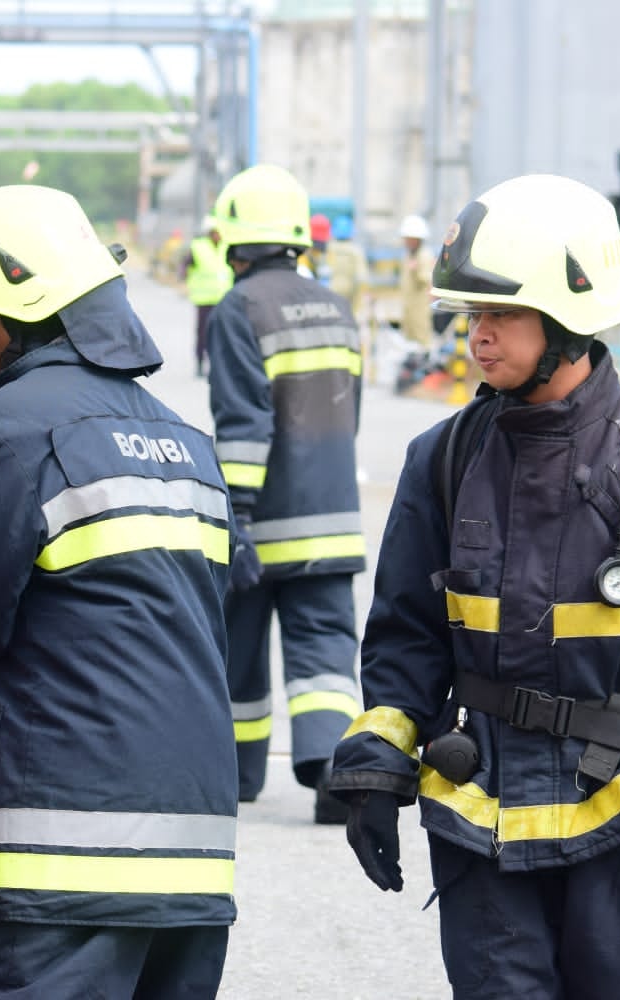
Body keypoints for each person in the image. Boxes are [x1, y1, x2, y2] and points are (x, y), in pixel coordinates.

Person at [329, 173, 620, 998]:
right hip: (488, 840)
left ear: (572, 321)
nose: (477, 336)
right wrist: (374, 764)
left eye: (501, 314)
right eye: (472, 315)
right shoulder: (441, 462)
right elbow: (405, 637)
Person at [0, 183, 239, 997]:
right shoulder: (184, 440)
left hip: (60, 866)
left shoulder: (14, 427)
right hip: (193, 867)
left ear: (20, 313)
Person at [206, 163, 365, 823]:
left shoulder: (238, 309)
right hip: (333, 518)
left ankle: (238, 777)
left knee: (239, 647)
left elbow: (243, 424)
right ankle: (334, 767)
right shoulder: (336, 306)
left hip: (262, 519)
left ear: (233, 243)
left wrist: (236, 517)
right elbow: (346, 412)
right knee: (326, 652)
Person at [181, 214, 234, 376]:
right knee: (203, 333)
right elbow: (185, 266)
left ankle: (217, 365)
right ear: (210, 232)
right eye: (215, 232)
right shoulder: (198, 247)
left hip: (224, 299)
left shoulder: (228, 247)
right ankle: (199, 364)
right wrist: (185, 280)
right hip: (204, 299)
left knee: (221, 335)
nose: (218, 235)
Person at [396, 213, 436, 350]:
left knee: (421, 337)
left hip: (420, 306)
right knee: (408, 338)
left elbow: (427, 279)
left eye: (410, 239)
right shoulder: (408, 255)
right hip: (408, 305)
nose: (407, 242)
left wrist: (416, 270)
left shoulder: (424, 255)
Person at [324, 214, 370, 312]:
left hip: (330, 292)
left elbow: (323, 271)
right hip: (350, 293)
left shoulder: (329, 249)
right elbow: (362, 277)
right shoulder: (355, 251)